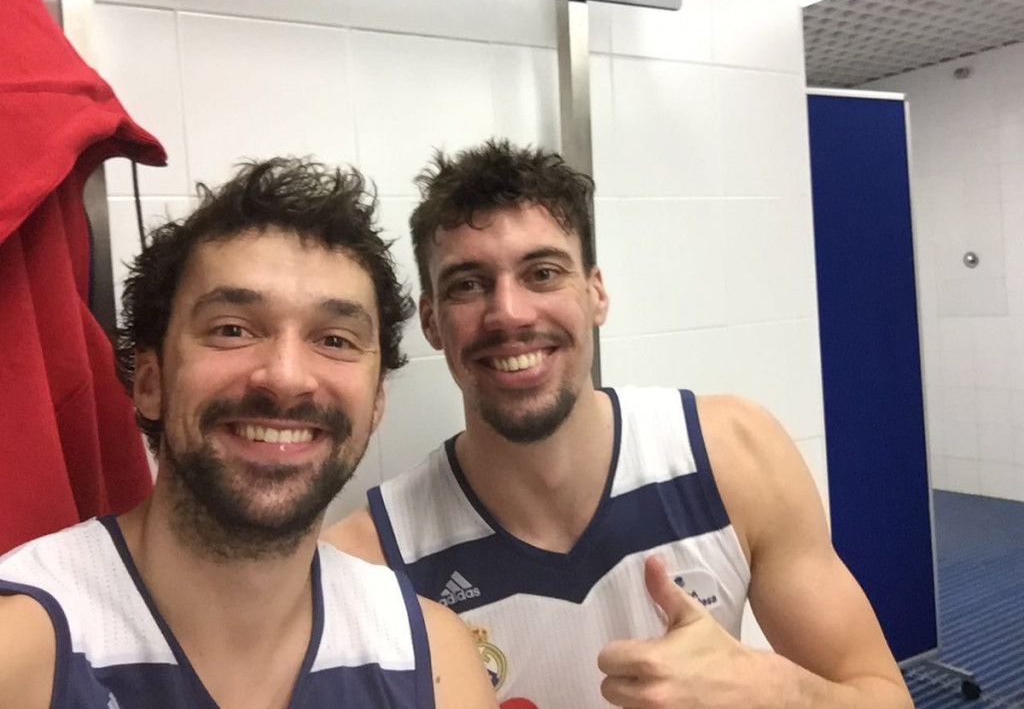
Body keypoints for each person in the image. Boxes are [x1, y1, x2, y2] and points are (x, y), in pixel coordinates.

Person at [325, 140, 914, 709]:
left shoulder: (732, 453)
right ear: (431, 321)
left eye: (543, 273)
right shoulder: (372, 561)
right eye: (468, 285)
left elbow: (884, 696)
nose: (509, 312)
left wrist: (776, 695)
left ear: (596, 293)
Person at [0, 159, 497, 709]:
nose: (285, 377)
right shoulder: (25, 644)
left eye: (334, 340)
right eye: (232, 329)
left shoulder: (429, 657)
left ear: (376, 403)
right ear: (149, 382)